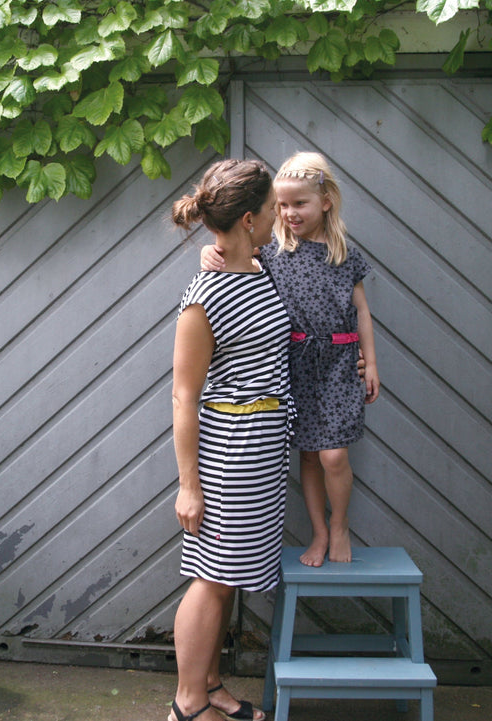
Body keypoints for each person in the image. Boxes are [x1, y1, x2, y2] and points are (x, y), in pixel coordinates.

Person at [201, 151, 379, 566]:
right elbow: (230, 257)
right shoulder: (274, 251)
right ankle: (319, 533)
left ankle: (340, 525)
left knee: (334, 454)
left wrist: (370, 362)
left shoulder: (343, 254)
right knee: (310, 456)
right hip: (293, 364)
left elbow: (364, 313)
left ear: (326, 201)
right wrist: (209, 253)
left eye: (299, 203)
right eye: (281, 205)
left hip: (338, 364)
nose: (288, 212)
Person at [169, 158, 290, 721]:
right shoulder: (204, 296)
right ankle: (189, 705)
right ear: (247, 219)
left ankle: (211, 685)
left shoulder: (259, 268)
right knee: (212, 580)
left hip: (262, 449)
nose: (277, 217)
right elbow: (183, 398)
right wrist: (188, 487)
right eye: (270, 210)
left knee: (228, 576)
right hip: (230, 453)